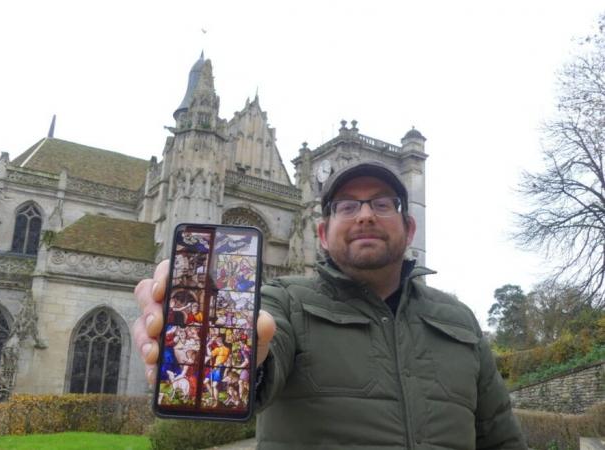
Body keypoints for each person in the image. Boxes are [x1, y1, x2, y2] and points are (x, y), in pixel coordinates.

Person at [134, 161, 527, 449]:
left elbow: (500, 436)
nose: (366, 215)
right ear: (320, 233)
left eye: (383, 204)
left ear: (409, 229)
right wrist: (238, 354)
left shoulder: (459, 319)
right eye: (347, 206)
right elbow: (266, 345)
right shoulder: (285, 300)